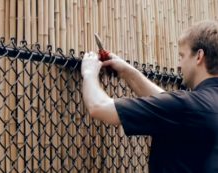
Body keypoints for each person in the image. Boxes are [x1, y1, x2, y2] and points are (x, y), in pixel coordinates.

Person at [81, 20, 218, 173]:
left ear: (199, 56)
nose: (178, 65)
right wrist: (128, 72)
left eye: (182, 56)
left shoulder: (187, 106)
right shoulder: (201, 106)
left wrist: (89, 73)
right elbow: (169, 105)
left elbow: (99, 107)